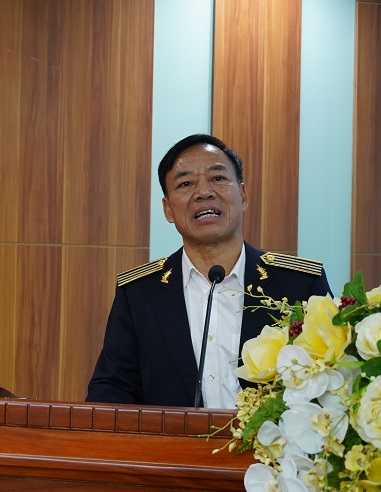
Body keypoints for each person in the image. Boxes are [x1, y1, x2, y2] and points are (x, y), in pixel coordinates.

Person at [86, 134, 331, 408]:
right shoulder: (139, 293)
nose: (204, 192)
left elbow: (333, 376)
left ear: (243, 195)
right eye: (186, 183)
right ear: (168, 210)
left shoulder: (301, 284)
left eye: (218, 178)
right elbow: (113, 389)